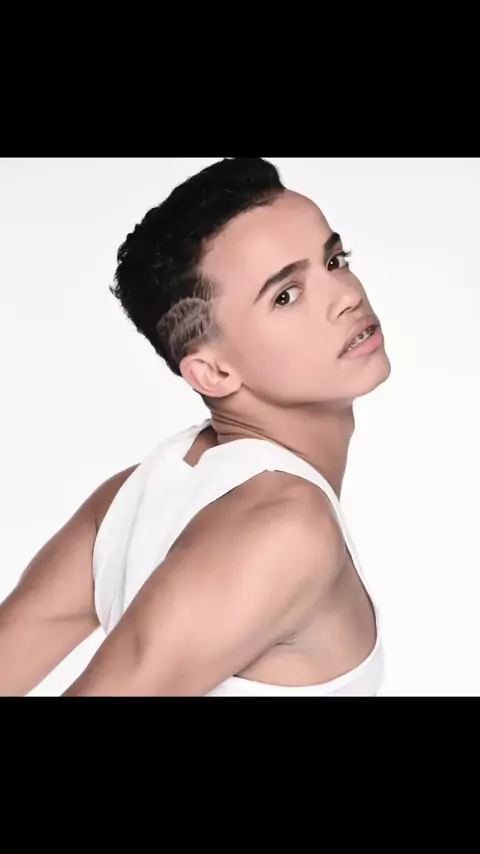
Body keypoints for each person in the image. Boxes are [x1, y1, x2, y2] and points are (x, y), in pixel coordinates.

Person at [0, 157, 391, 696]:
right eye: (285, 295)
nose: (347, 296)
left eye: (335, 260)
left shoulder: (132, 498)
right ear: (213, 372)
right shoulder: (283, 528)